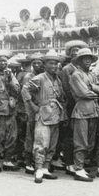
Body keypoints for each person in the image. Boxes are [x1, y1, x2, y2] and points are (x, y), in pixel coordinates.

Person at [21, 51, 65, 183]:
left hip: (56, 114)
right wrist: (32, 106)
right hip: (43, 115)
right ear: (45, 65)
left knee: (52, 144)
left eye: (55, 63)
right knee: (41, 142)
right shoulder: (39, 78)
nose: (53, 66)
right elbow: (25, 90)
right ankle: (38, 169)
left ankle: (46, 167)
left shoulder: (57, 79)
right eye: (50, 63)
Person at [69, 48, 99, 182]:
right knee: (81, 142)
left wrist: (92, 88)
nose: (88, 61)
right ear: (79, 61)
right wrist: (94, 90)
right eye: (84, 58)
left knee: (89, 142)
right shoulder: (76, 75)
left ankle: (81, 167)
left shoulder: (91, 75)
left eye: (89, 58)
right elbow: (83, 93)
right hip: (82, 111)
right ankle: (78, 169)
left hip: (93, 111)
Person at [57, 40, 89, 174]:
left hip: (82, 104)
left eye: (77, 51)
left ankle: (76, 161)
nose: (75, 53)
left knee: (79, 135)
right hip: (72, 104)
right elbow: (66, 88)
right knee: (70, 134)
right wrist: (77, 100)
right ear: (69, 54)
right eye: (73, 51)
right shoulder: (67, 69)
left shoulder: (83, 69)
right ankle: (69, 162)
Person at [18, 52, 45, 174]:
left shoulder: (44, 76)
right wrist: (30, 107)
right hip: (31, 110)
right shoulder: (29, 77)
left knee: (39, 136)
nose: (37, 65)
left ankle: (36, 160)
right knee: (30, 136)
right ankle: (28, 161)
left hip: (41, 110)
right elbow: (25, 94)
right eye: (35, 63)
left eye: (40, 63)